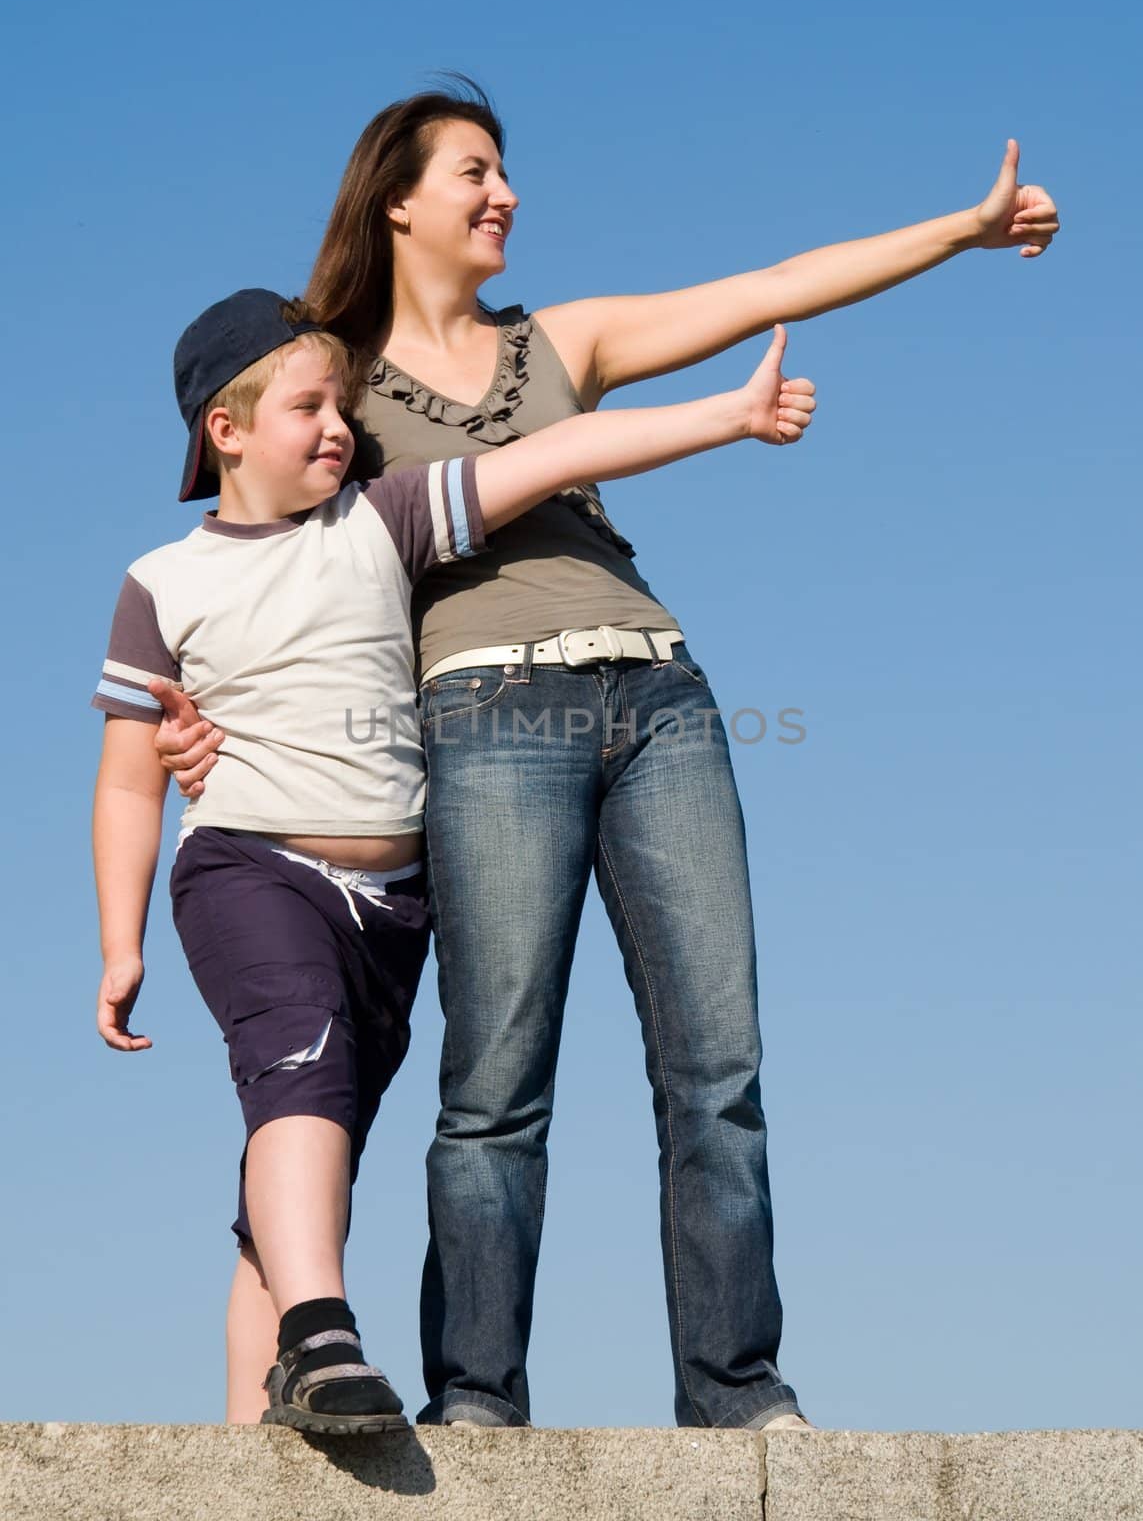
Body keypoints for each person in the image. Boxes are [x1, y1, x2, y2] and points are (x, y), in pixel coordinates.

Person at [154, 84, 1058, 1432]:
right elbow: (241, 556)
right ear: (397, 199)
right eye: (472, 170)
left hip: (660, 701)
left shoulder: (558, 338)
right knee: (496, 1080)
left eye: (505, 171)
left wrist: (962, 229)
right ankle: (475, 1400)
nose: (502, 192)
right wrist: (187, 720)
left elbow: (773, 284)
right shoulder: (330, 376)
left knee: (716, 1070)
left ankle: (737, 1391)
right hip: (480, 718)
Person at [92, 286, 816, 1429]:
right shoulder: (161, 580)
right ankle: (324, 1336)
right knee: (301, 1086)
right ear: (223, 430)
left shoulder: (384, 518)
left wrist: (722, 416)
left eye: (347, 402)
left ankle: (247, 1441)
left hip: (391, 908)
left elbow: (560, 448)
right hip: (251, 870)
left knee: (296, 1156)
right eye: (311, 405)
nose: (343, 423)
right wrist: (120, 939)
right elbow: (131, 774)